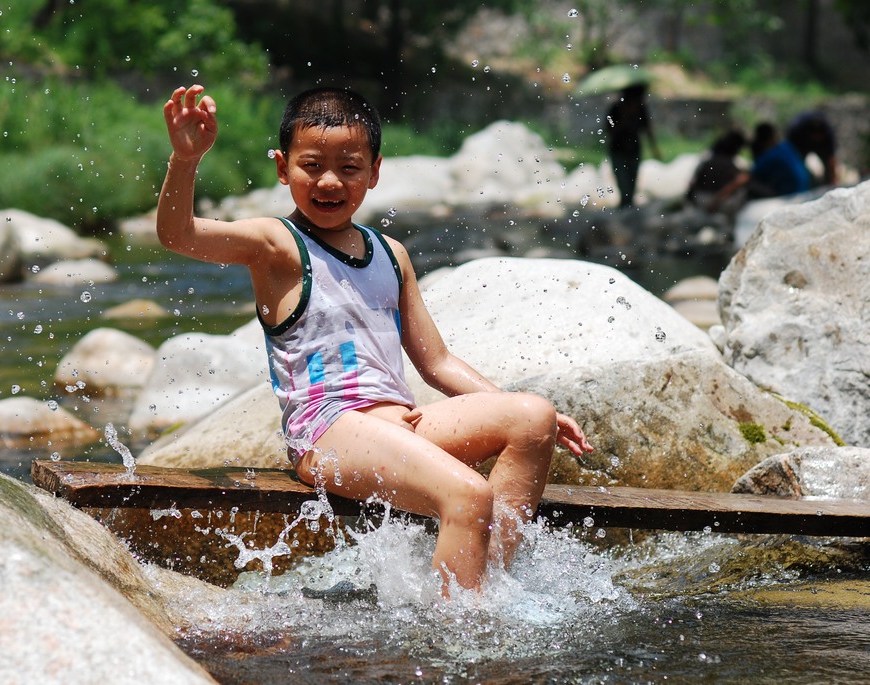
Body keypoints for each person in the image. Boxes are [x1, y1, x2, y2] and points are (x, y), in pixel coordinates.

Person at [156, 84, 593, 596]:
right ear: (282, 168)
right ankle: (463, 636)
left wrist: (508, 403)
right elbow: (178, 235)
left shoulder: (391, 253)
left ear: (375, 171)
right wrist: (185, 161)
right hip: (329, 434)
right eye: (312, 164)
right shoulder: (276, 245)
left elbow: (438, 362)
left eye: (349, 167)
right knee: (469, 494)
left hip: (401, 425)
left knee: (532, 416)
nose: (329, 181)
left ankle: (487, 584)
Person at [605, 84, 662, 208]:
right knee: (623, 183)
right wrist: (623, 119)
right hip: (618, 150)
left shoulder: (641, 109)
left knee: (632, 183)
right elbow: (609, 129)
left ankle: (628, 207)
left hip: (634, 150)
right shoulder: (616, 109)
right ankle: (625, 206)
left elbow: (647, 130)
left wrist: (655, 149)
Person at [685, 129, 748, 215]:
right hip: (716, 203)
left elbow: (693, 184)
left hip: (700, 199)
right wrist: (717, 199)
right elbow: (738, 181)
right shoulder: (727, 164)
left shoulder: (707, 161)